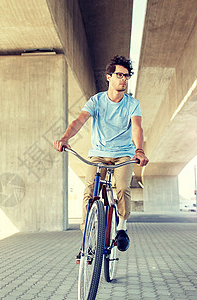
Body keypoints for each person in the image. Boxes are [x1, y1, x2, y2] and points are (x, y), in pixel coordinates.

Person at [54, 55, 149, 252]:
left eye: (127, 76)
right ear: (109, 77)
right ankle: (86, 239)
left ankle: (122, 227)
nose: (123, 79)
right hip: (98, 154)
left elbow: (137, 128)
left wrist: (139, 150)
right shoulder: (96, 101)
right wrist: (65, 138)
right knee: (89, 191)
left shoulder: (132, 104)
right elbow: (79, 121)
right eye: (119, 75)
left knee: (122, 187)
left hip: (124, 154)